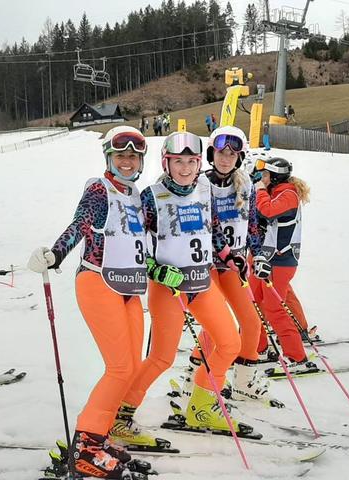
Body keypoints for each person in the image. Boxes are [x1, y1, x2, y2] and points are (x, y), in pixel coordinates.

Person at [28, 126, 149, 479]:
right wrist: (56, 253)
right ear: (109, 159)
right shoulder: (100, 189)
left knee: (131, 366)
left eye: (133, 157)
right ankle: (86, 446)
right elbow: (80, 225)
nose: (127, 162)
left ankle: (100, 433)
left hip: (130, 287)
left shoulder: (136, 194)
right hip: (99, 281)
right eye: (120, 156)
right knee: (120, 369)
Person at [120, 131, 251, 439]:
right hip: (169, 289)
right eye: (178, 162)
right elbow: (133, 245)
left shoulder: (204, 190)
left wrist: (230, 256)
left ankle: (202, 406)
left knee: (230, 343)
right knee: (162, 358)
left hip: (202, 284)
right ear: (166, 163)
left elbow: (213, 231)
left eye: (191, 162)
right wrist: (156, 269)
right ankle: (120, 412)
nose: (185, 169)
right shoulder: (151, 197)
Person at [181, 127, 282, 407]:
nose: (226, 158)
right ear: (211, 153)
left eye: (232, 154)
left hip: (233, 264)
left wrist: (258, 254)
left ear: (239, 157)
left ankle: (243, 381)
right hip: (205, 264)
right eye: (221, 152)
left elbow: (251, 225)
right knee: (217, 327)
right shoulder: (198, 183)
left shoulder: (245, 184)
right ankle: (197, 378)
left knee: (251, 322)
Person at [248, 157, 316, 374]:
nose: (261, 179)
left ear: (275, 177)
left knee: (274, 308)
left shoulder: (288, 196)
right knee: (252, 301)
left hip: (280, 262)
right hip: (264, 259)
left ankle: (297, 357)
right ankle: (258, 348)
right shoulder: (274, 192)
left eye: (265, 175)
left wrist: (259, 190)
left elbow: (268, 211)